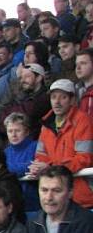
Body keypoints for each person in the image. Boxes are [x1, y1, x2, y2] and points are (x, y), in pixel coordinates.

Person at [30, 78, 93, 208]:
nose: (57, 102)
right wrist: (37, 167)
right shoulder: (46, 125)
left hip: (81, 196)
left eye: (63, 97)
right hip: (56, 199)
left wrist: (50, 166)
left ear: (72, 100)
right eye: (53, 97)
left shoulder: (83, 121)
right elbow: (40, 156)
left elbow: (84, 159)